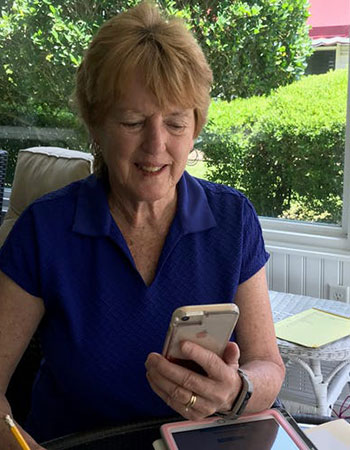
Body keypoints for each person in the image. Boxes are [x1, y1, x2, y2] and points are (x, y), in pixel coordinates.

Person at [0, 1, 285, 448]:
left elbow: (268, 364)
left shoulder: (233, 220)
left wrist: (237, 390)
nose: (157, 147)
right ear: (96, 125)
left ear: (196, 128)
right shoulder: (44, 230)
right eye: (133, 121)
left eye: (175, 123)